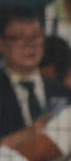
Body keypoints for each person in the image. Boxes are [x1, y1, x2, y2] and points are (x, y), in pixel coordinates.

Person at [0, 8, 63, 141]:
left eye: (35, 36)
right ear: (2, 43)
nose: (29, 45)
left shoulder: (66, 94)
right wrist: (27, 135)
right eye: (19, 37)